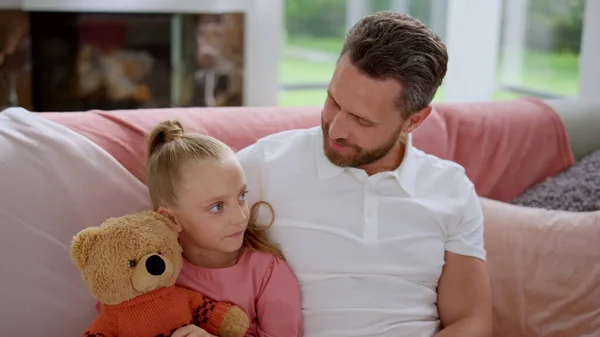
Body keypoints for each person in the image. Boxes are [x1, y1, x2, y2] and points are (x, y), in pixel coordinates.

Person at [236, 11, 492, 337]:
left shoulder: (451, 189)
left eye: (362, 120)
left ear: (414, 121)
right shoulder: (262, 166)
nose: (337, 128)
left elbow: (471, 321)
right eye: (333, 100)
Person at [145, 120, 303, 337]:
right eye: (217, 207)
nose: (240, 217)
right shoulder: (148, 271)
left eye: (242, 196)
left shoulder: (268, 273)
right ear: (171, 219)